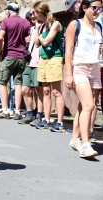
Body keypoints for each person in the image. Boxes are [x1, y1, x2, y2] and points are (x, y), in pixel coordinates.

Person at [65, 0, 102, 158]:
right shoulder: (75, 25)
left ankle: (74, 139)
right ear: (85, 8)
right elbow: (68, 51)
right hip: (79, 67)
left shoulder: (99, 27)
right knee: (89, 105)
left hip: (95, 68)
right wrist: (68, 74)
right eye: (94, 8)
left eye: (100, 8)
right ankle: (85, 144)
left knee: (84, 107)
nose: (97, 11)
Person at [0, 3, 30, 120]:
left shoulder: (6, 22)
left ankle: (5, 110)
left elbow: (0, 37)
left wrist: (0, 51)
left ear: (8, 12)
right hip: (21, 57)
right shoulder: (26, 23)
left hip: (9, 56)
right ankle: (17, 111)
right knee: (18, 83)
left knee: (2, 82)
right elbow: (28, 39)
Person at [33, 1, 66, 132]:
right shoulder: (42, 26)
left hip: (55, 58)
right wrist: (36, 29)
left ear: (40, 12)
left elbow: (45, 42)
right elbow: (36, 44)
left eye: (34, 13)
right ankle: (46, 119)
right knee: (46, 91)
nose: (33, 16)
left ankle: (60, 122)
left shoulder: (55, 24)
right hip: (44, 60)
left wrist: (40, 36)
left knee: (56, 92)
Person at [18, 9, 44, 125]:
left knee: (38, 90)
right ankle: (30, 113)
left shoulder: (44, 28)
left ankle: (39, 114)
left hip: (38, 62)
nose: (32, 17)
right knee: (25, 89)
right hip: (29, 62)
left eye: (34, 14)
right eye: (31, 15)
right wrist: (26, 41)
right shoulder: (31, 29)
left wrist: (38, 28)